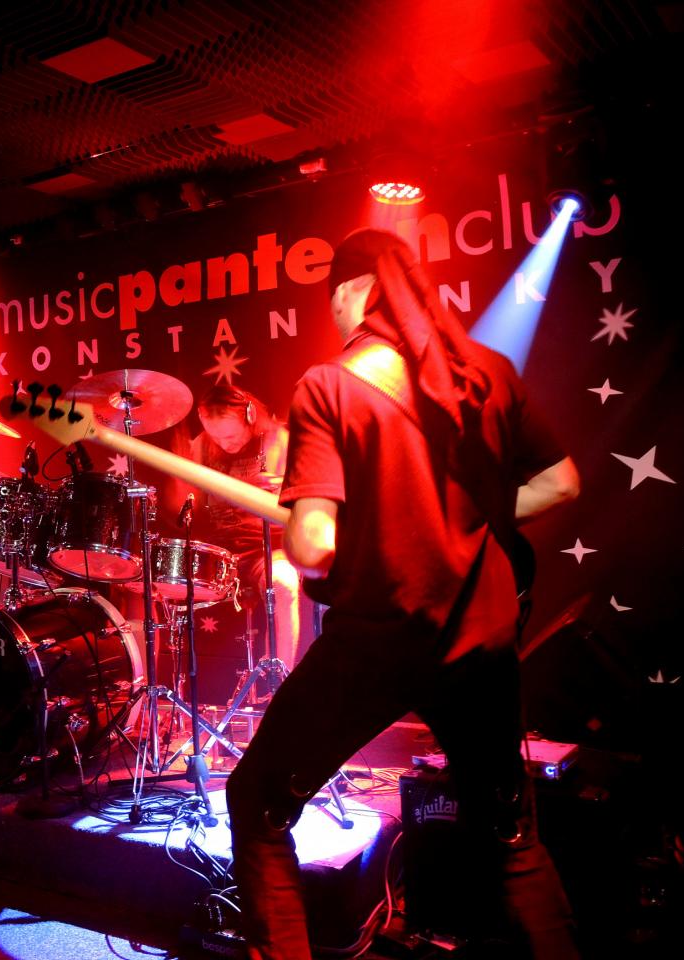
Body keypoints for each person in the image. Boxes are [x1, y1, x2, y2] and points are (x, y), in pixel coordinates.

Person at [224, 229, 582, 959]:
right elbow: (561, 483)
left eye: (333, 299)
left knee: (256, 801)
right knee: (511, 834)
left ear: (356, 291)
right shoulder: (488, 373)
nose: (334, 315)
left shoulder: (329, 384)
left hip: (378, 643)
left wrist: (313, 530)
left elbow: (313, 546)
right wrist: (470, 527)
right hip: (481, 643)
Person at [172, 385, 303, 670]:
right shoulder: (202, 445)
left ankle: (280, 678)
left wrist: (281, 491)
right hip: (217, 550)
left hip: (265, 548)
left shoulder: (278, 441)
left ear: (250, 417)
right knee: (156, 585)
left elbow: (300, 505)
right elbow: (186, 503)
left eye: (230, 436)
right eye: (215, 436)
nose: (224, 444)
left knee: (284, 585)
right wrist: (181, 484)